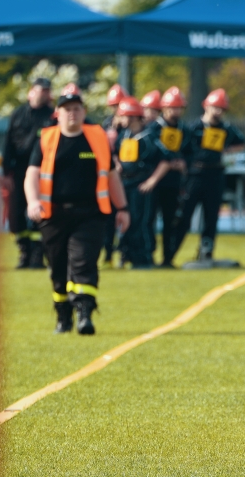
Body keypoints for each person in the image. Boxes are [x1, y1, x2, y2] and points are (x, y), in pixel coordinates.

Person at [25, 84, 130, 335]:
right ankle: (63, 315)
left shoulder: (98, 137)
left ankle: (85, 312)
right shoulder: (46, 138)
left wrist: (123, 208)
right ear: (58, 113)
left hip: (90, 214)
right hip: (54, 215)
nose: (72, 113)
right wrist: (33, 201)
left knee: (83, 262)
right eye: (67, 109)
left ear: (83, 112)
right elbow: (32, 175)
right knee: (58, 267)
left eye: (76, 108)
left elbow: (112, 176)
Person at [171, 88, 245, 263]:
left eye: (221, 109)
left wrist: (226, 151)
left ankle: (206, 252)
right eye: (215, 107)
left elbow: (242, 143)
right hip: (195, 175)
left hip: (215, 174)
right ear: (206, 106)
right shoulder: (193, 128)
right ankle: (170, 254)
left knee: (211, 216)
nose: (218, 112)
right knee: (185, 215)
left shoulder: (226, 128)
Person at [2, 77, 55, 269]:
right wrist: (6, 172)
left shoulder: (52, 116)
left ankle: (38, 254)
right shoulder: (18, 114)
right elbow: (8, 143)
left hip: (44, 170)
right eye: (42, 90)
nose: (45, 94)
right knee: (16, 215)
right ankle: (24, 252)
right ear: (32, 91)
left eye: (48, 90)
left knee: (41, 213)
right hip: (19, 170)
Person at [114, 96, 170, 268]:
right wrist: (117, 164)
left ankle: (144, 256)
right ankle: (127, 254)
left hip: (141, 184)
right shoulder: (123, 135)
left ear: (133, 117)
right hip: (125, 184)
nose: (120, 119)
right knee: (127, 220)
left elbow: (165, 160)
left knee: (142, 221)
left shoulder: (150, 137)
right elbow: (114, 153)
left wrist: (152, 181)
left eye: (124, 116)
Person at [151, 86, 188, 267]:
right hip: (154, 182)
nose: (176, 111)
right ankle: (147, 256)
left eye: (179, 108)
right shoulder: (154, 128)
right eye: (173, 107)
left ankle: (167, 258)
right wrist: (168, 161)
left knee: (170, 221)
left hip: (173, 183)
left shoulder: (184, 129)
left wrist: (184, 163)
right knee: (148, 220)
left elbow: (189, 152)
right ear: (164, 108)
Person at [100, 84, 128, 267]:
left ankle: (125, 255)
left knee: (126, 216)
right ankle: (108, 255)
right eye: (114, 106)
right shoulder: (106, 124)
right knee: (109, 219)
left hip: (127, 177)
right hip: (110, 175)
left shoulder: (130, 126)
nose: (116, 109)